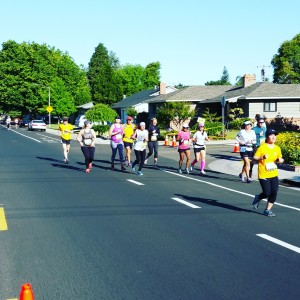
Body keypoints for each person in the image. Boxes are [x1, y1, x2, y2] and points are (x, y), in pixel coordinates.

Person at [252, 129, 284, 217]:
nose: (274, 137)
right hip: (263, 173)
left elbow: (280, 158)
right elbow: (255, 157)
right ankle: (258, 197)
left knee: (274, 192)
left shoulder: (277, 148)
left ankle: (267, 210)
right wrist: (262, 157)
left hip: (273, 173)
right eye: (271, 135)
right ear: (267, 137)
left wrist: (280, 160)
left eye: (275, 135)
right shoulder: (263, 147)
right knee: (267, 193)